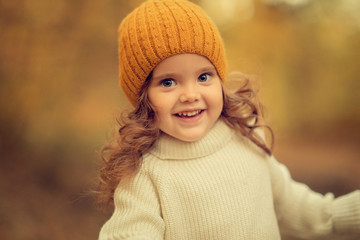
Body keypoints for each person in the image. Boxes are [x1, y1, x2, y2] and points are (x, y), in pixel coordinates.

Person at [97, 0, 360, 239]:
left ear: (220, 80)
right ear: (143, 99)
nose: (190, 95)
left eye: (203, 77)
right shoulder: (145, 174)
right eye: (168, 82)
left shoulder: (246, 137)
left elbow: (304, 212)